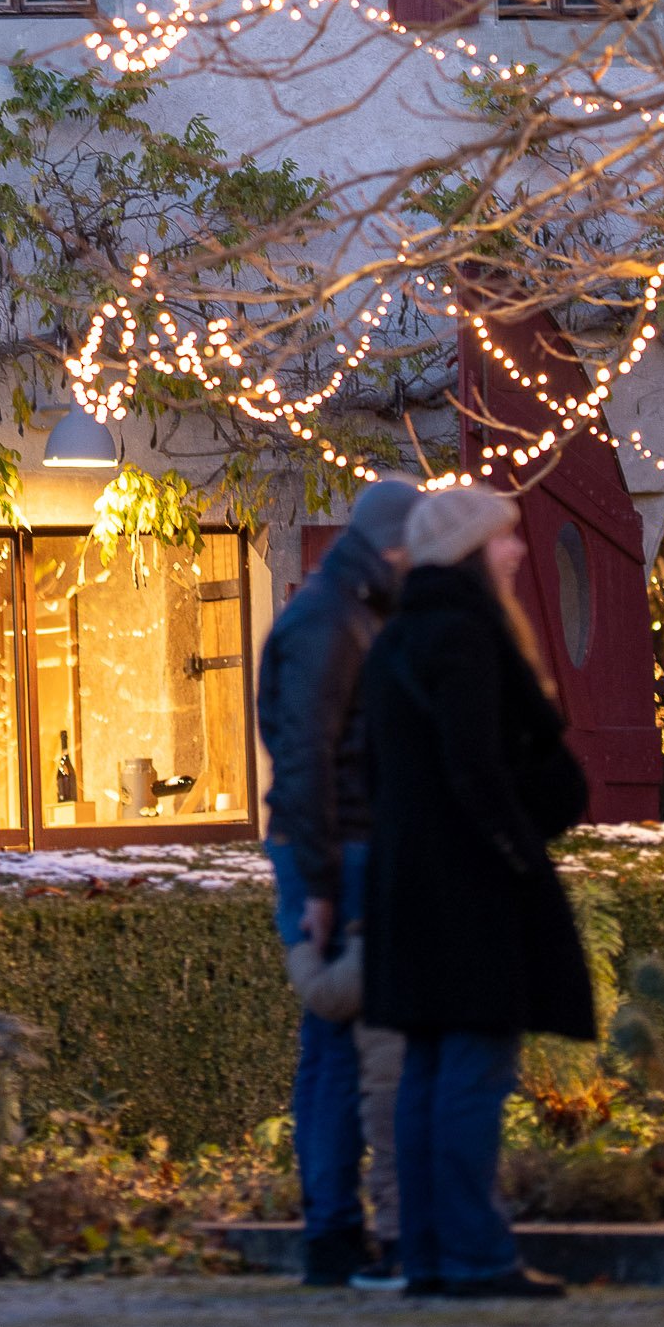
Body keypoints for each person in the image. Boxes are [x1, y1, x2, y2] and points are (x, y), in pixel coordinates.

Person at [360, 481, 595, 1302]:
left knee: (431, 1067)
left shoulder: (398, 639)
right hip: (469, 887)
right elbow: (476, 766)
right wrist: (517, 851)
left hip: (415, 884)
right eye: (502, 537)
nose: (519, 550)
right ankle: (472, 1254)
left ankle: (431, 1252)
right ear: (467, 548)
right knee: (470, 1069)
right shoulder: (464, 635)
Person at [256, 478, 417, 1283]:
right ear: (396, 545)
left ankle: (333, 1228)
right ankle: (332, 1230)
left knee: (335, 1045)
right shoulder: (334, 617)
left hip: (333, 845)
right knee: (337, 1044)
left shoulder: (342, 604)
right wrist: (320, 881)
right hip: (334, 850)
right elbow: (306, 756)